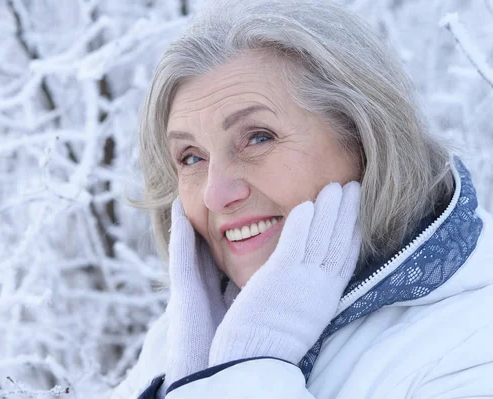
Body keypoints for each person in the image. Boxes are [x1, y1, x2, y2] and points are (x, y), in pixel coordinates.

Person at [112, 0, 493, 397]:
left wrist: (247, 369)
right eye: (191, 157)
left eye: (258, 137)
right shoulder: (190, 331)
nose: (216, 194)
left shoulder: (474, 351)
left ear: (364, 142)